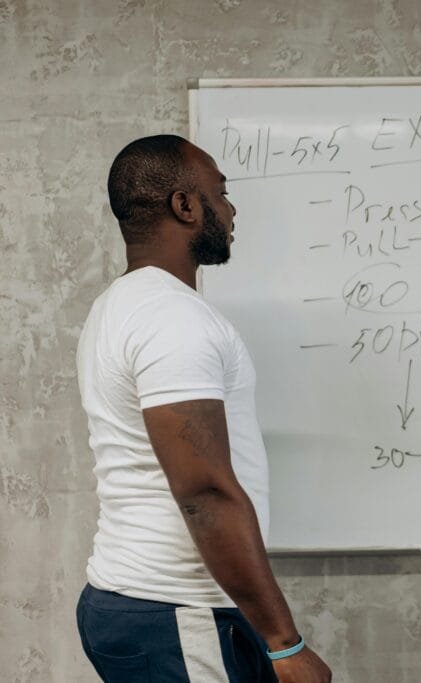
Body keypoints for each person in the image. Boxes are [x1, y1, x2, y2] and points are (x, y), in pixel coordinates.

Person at [75, 135, 332, 682]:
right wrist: (285, 646)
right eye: (220, 192)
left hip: (155, 604)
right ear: (184, 205)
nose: (231, 208)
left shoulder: (121, 305)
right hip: (173, 609)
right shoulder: (173, 319)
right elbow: (204, 492)